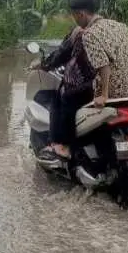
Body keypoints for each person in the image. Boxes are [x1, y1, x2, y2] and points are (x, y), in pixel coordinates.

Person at [71, 0, 128, 107]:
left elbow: (102, 65)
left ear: (81, 14)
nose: (74, 20)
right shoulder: (120, 26)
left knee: (71, 101)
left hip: (117, 95)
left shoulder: (90, 34)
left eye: (74, 16)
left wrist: (104, 95)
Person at [37, 21, 96, 161]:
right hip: (122, 89)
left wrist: (44, 65)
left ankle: (61, 145)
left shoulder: (79, 32)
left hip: (90, 87)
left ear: (80, 14)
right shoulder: (110, 29)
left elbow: (61, 54)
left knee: (61, 97)